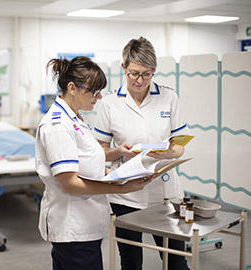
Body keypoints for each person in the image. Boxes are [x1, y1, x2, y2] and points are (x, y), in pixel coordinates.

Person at [35, 56, 153, 270]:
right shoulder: (58, 126)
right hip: (73, 227)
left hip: (84, 223)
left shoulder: (75, 118)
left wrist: (116, 153)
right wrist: (120, 186)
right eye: (94, 92)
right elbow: (70, 182)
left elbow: (85, 157)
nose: (98, 98)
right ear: (72, 88)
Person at [94, 37, 191, 270]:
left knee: (176, 260)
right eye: (134, 73)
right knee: (131, 261)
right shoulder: (109, 103)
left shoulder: (168, 97)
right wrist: (118, 151)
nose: (140, 81)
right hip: (126, 193)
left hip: (165, 191)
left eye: (147, 74)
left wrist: (167, 153)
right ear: (123, 67)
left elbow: (180, 146)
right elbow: (100, 153)